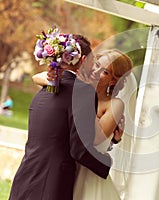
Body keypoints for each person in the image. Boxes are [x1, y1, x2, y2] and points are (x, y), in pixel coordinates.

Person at [9, 34, 113, 200]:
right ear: (84, 59)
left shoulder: (41, 93)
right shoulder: (83, 92)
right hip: (53, 185)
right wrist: (107, 163)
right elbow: (79, 149)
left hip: (24, 179)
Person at [32, 49, 134, 199]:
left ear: (113, 80)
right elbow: (36, 77)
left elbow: (96, 139)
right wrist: (54, 78)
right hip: (66, 168)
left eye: (105, 71)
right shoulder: (79, 89)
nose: (96, 71)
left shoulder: (115, 104)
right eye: (97, 64)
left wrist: (82, 100)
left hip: (89, 174)